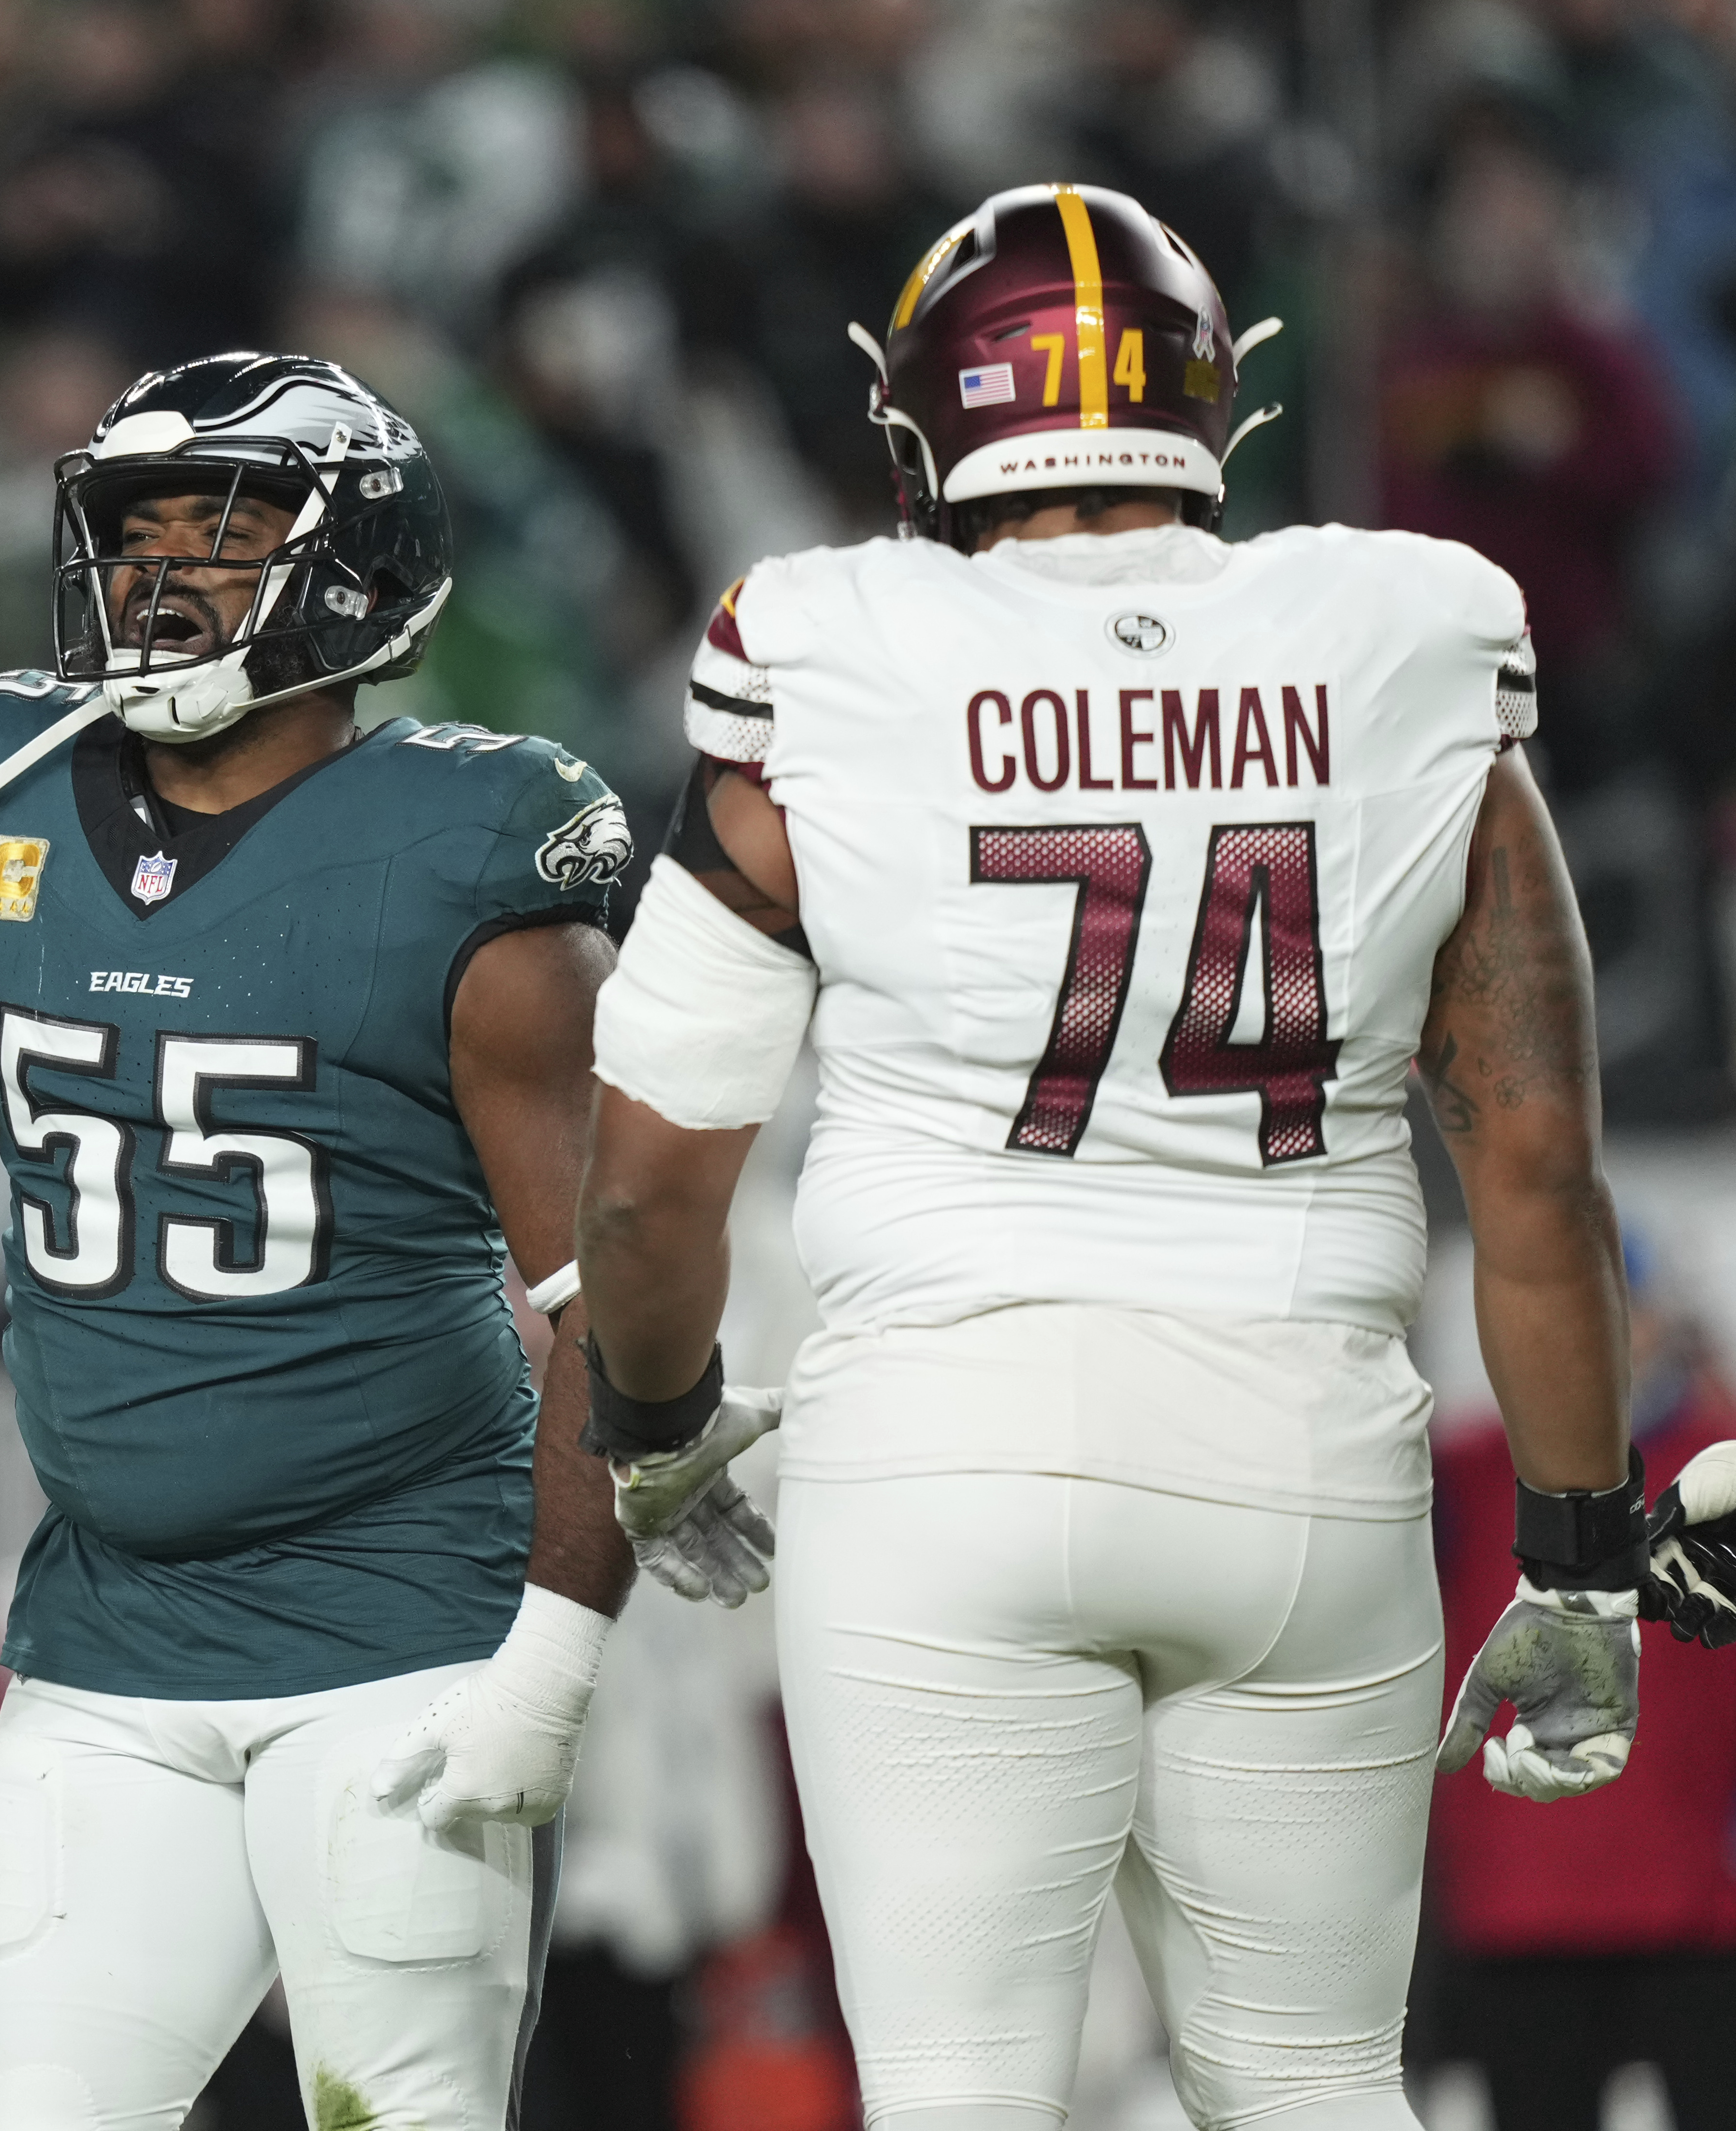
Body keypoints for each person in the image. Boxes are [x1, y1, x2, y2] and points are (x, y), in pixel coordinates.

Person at [575, 181, 1642, 2131]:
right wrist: (1580, 1554)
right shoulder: (1399, 631)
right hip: (1305, 1454)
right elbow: (1542, 1172)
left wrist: (653, 1425)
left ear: (926, 421)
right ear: (1207, 403)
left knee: (964, 2092)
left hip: (945, 1453)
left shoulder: (836, 642)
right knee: (1321, 2081)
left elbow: (652, 1173)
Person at [0, 352, 665, 2130]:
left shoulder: (464, 858)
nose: (157, 578)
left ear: (352, 573)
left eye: (220, 540)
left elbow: (601, 1309)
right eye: (133, 534)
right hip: (100, 1640)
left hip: (401, 1627)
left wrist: (553, 1644)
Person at [1427, 1236, 1736, 2131]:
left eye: (1613, 1309)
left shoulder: (1714, 1470)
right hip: (1520, 1908)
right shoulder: (1463, 1476)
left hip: (1703, 1909)